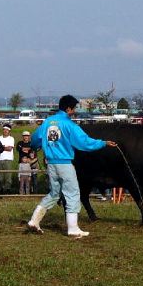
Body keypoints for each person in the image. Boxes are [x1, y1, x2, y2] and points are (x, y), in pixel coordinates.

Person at [27, 95, 117, 238]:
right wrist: (103, 143)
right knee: (73, 193)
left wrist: (35, 146)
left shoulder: (47, 122)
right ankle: (73, 228)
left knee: (54, 194)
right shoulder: (69, 125)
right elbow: (84, 142)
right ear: (68, 108)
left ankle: (34, 220)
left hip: (50, 164)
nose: (74, 111)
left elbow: (35, 139)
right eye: (74, 108)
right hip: (65, 164)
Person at [0, 124, 15, 193]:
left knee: (8, 175)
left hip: (8, 159)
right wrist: (4, 147)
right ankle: (0, 189)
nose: (5, 131)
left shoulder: (11, 138)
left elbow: (10, 148)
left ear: (9, 131)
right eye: (4, 129)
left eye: (7, 130)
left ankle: (7, 189)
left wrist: (1, 147)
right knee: (0, 176)